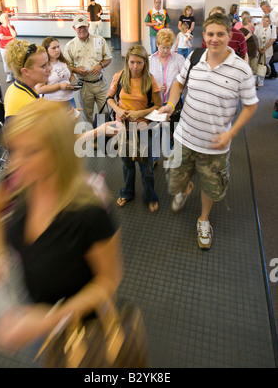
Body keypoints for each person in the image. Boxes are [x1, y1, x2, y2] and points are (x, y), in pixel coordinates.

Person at [0, 99, 122, 354]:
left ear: (59, 153)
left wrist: (49, 320)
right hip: (32, 314)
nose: (15, 163)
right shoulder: (20, 181)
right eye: (14, 150)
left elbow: (107, 282)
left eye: (31, 152)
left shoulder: (89, 210)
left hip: (79, 327)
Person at [159, 13, 258, 250]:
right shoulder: (193, 58)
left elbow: (251, 105)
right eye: (211, 34)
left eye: (220, 34)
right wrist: (171, 104)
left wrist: (230, 133)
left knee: (211, 187)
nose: (215, 39)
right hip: (185, 137)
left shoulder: (241, 70)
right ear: (204, 36)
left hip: (215, 145)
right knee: (173, 181)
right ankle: (185, 188)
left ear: (229, 36)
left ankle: (203, 219)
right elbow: (178, 84)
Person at [106, 45, 162, 213]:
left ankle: (150, 196)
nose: (135, 66)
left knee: (146, 169)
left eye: (139, 62)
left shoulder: (150, 80)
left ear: (145, 63)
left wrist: (140, 113)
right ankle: (128, 193)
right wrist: (118, 110)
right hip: (124, 128)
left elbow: (159, 106)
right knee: (127, 164)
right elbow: (109, 98)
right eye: (132, 62)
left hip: (142, 128)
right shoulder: (119, 77)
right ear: (127, 62)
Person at [64, 14, 112, 125]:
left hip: (100, 84)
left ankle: (104, 134)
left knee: (105, 111)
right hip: (84, 85)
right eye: (79, 27)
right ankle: (91, 136)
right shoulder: (70, 46)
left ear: (88, 26)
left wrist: (100, 65)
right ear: (74, 28)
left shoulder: (99, 40)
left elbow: (108, 58)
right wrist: (76, 70)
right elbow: (67, 66)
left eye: (84, 26)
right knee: (87, 113)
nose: (82, 29)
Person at [149, 28, 184, 162]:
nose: (165, 51)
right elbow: (145, 83)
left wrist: (174, 88)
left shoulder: (178, 59)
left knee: (173, 131)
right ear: (157, 44)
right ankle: (154, 157)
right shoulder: (150, 60)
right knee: (156, 131)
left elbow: (184, 80)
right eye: (163, 47)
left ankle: (173, 156)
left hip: (173, 103)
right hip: (156, 103)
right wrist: (156, 88)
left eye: (168, 47)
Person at [4, 40, 50, 119]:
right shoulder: (26, 105)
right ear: (25, 71)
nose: (49, 69)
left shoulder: (17, 87)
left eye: (47, 64)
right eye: (43, 66)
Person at [37, 37, 77, 108]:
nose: (57, 50)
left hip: (69, 100)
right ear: (46, 51)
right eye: (53, 48)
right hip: (54, 103)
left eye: (58, 47)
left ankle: (100, 119)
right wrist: (59, 86)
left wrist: (75, 84)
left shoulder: (63, 62)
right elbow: (39, 89)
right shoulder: (44, 66)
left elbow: (71, 76)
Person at [254, 14, 276, 87]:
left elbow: (273, 39)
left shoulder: (272, 28)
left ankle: (261, 80)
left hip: (267, 51)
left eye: (267, 21)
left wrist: (264, 49)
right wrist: (259, 49)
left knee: (264, 65)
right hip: (258, 49)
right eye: (264, 20)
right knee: (256, 64)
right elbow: (255, 38)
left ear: (269, 21)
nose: (265, 22)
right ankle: (256, 80)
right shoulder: (258, 27)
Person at [260, 0, 278, 78]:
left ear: (268, 7)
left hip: (273, 37)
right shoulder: (267, 14)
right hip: (268, 37)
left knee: (270, 55)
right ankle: (273, 72)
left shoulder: (275, 14)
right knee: (268, 56)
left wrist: (274, 38)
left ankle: (273, 72)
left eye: (264, 9)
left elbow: (276, 28)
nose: (263, 11)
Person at [0, 13, 17, 83]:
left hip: (12, 46)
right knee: (6, 61)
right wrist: (12, 37)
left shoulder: (12, 26)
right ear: (2, 20)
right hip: (4, 48)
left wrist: (8, 26)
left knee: (14, 60)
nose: (7, 19)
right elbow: (2, 37)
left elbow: (14, 34)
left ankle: (15, 74)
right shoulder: (0, 28)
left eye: (7, 18)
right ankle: (8, 74)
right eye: (5, 18)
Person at [239, 15, 258, 85]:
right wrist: (247, 37)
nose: (253, 22)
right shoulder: (242, 31)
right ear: (248, 22)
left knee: (253, 70)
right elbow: (240, 41)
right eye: (252, 21)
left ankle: (251, 84)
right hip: (248, 55)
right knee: (247, 70)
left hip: (253, 54)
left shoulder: (250, 30)